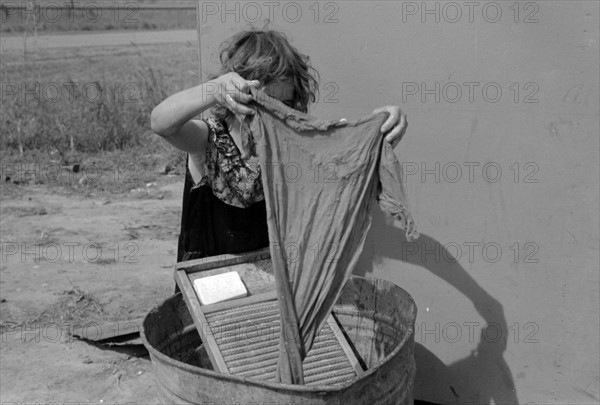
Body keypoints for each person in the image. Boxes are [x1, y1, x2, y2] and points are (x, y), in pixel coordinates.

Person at [150, 29, 408, 263]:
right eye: (264, 103)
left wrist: (381, 129)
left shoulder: (293, 145)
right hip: (208, 285)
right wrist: (213, 88)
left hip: (270, 281)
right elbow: (162, 123)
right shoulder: (208, 140)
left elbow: (347, 154)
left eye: (283, 105)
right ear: (236, 95)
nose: (274, 114)